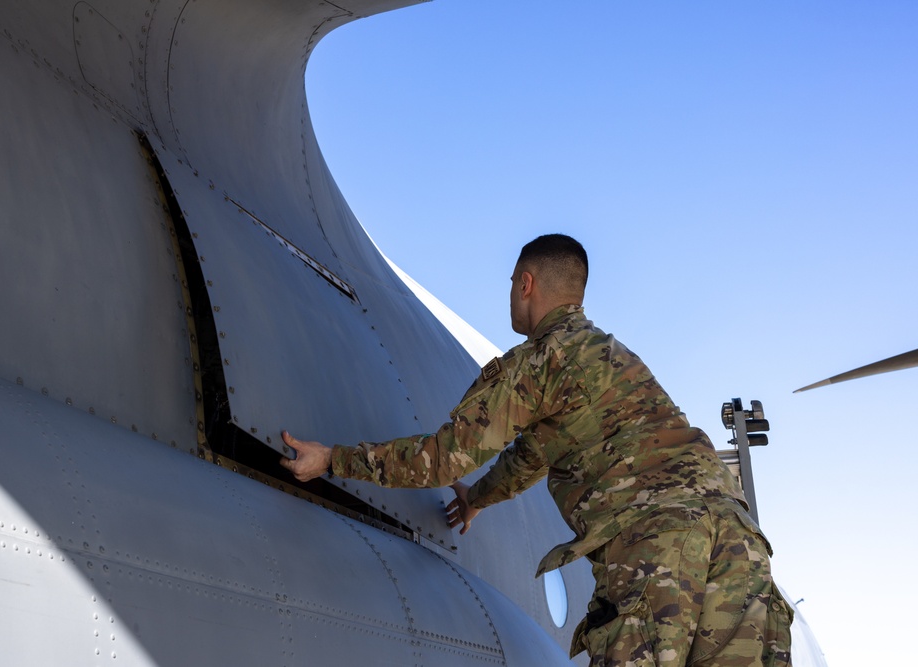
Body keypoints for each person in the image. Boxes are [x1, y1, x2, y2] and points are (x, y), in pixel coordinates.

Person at [280, 234, 793, 666]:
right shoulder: (615, 358)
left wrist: (332, 459)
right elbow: (532, 455)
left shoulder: (543, 359)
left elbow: (440, 458)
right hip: (741, 545)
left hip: (658, 545)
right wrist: (479, 497)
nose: (509, 297)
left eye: (510, 285)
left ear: (526, 283)